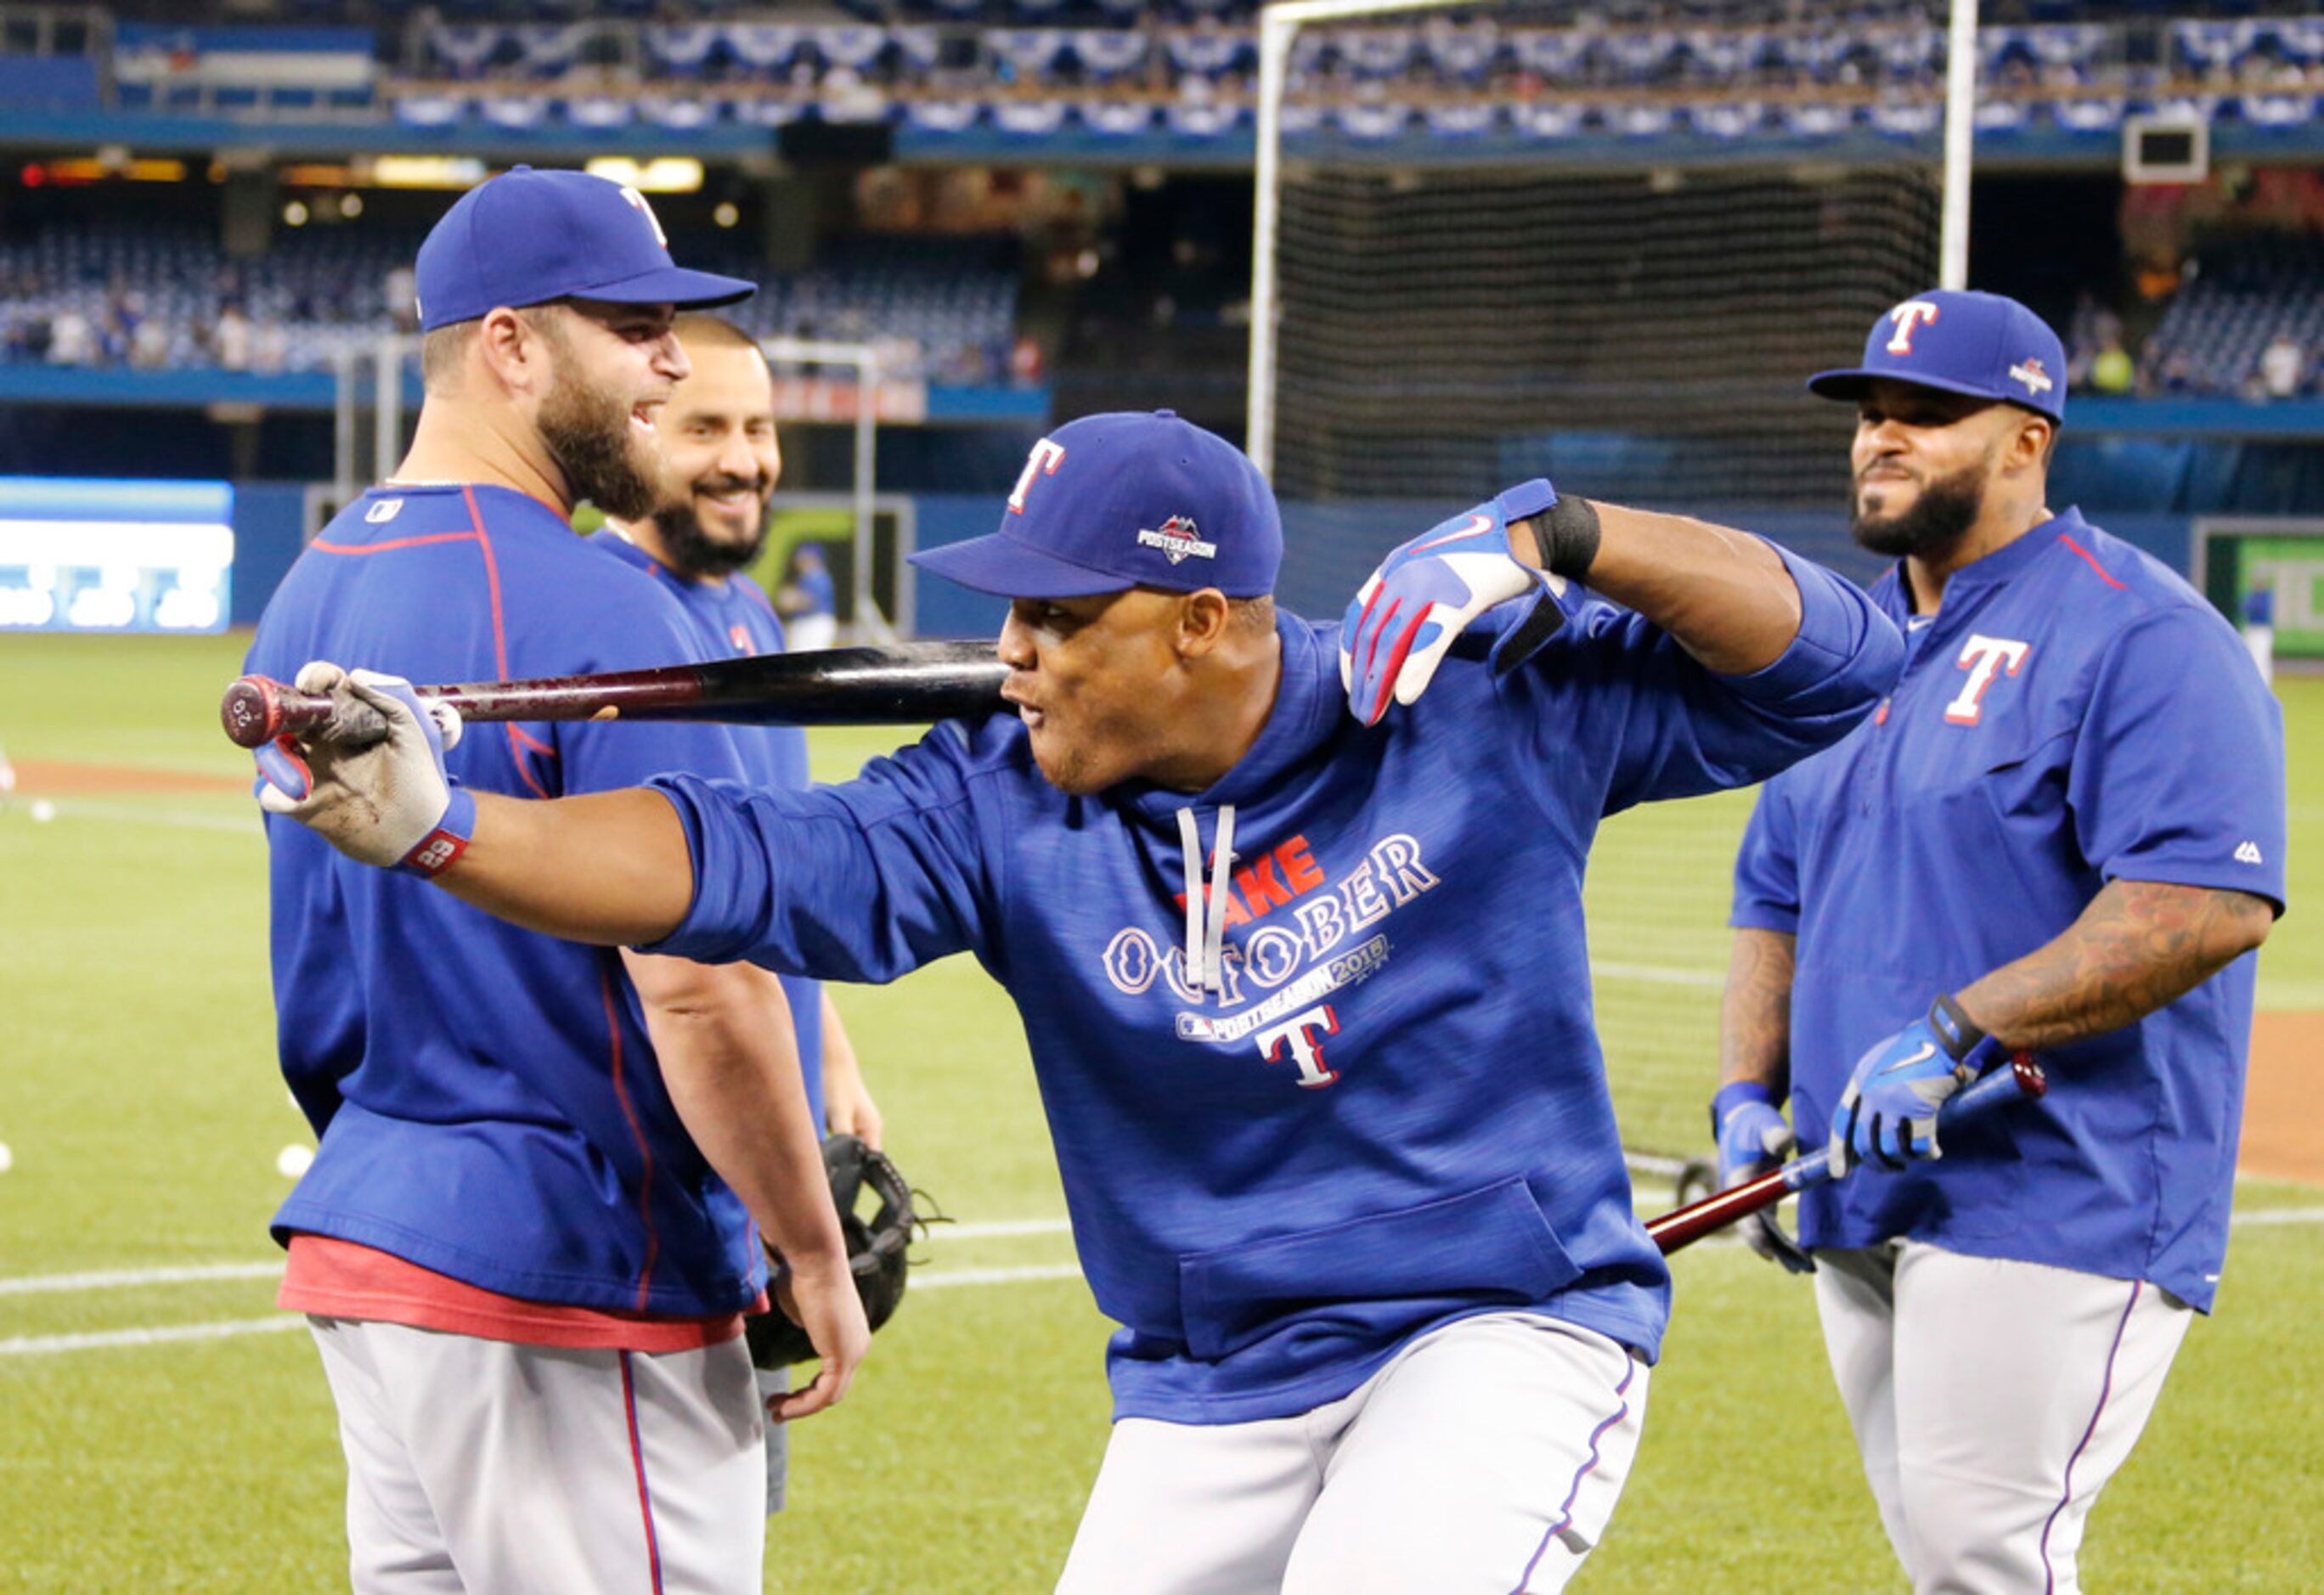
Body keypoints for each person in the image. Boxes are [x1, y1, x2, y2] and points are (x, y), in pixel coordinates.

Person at [259, 407, 1905, 1593]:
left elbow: (1838, 664)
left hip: (1490, 1331)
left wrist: (1571, 536)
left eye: (1060, 617)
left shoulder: (1464, 701)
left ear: (1201, 625)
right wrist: (445, 828)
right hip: (1210, 1374)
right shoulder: (996, 797)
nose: (1014, 653)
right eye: (1010, 612)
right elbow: (733, 864)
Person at [245, 166, 868, 1595]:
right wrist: (808, 1245)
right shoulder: (605, 608)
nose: (668, 359)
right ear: (512, 343)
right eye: (634, 327)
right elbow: (699, 987)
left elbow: (322, 964)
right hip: (577, 1274)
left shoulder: (308, 593)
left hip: (377, 1243)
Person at [1712, 290, 2285, 1594]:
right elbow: (1772, 892)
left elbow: (2202, 903)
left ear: (2029, 437)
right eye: (1869, 415)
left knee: (1990, 1559)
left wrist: (1956, 1029)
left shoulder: (2140, 633)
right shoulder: (1831, 650)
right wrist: (1747, 1092)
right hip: (1858, 1188)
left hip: (2058, 1186)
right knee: (1947, 1561)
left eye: (1927, 415)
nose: (1881, 440)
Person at [590, 312, 887, 1513]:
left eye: (758, 427)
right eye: (705, 425)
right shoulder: (607, 624)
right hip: (649, 1193)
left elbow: (772, 876)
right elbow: (681, 959)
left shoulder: (744, 615)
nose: (745, 458)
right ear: (633, 431)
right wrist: (808, 1231)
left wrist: (828, 1049)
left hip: (740, 1162)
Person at [775, 541, 837, 652]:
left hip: (815, 624)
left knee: (808, 661)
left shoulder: (818, 576)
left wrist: (791, 599)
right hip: (806, 624)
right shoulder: (805, 577)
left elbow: (810, 601)